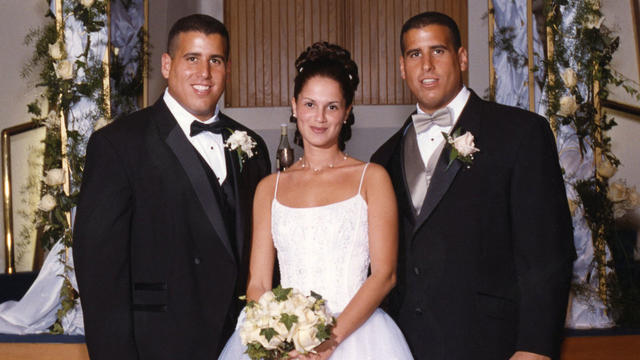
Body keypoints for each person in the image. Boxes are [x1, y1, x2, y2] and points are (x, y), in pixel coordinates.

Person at [371, 12, 575, 360]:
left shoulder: (520, 134)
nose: (427, 66)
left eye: (438, 50)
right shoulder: (382, 159)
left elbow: (547, 253)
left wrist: (535, 348)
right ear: (402, 68)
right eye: (414, 54)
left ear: (461, 57)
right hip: (404, 346)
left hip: (492, 343)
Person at [73, 14, 270, 360]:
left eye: (216, 60)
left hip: (241, 344)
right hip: (160, 346)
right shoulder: (118, 145)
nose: (204, 73)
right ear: (167, 65)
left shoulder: (252, 147)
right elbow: (100, 278)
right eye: (191, 58)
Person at [219, 42, 413, 360]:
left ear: (347, 111)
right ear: (294, 106)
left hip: (358, 337)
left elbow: (384, 275)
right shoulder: (270, 188)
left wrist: (329, 340)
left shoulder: (372, 178)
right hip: (285, 344)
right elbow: (258, 282)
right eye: (310, 104)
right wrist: (278, 337)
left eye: (332, 106)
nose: (319, 117)